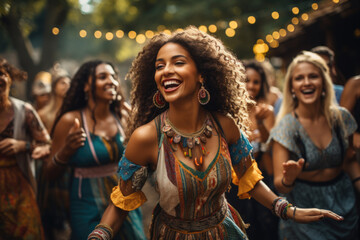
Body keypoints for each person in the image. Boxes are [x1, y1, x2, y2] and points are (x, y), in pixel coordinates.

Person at [87, 27, 344, 240]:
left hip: (226, 232)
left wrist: (288, 210)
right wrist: (100, 234)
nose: (166, 71)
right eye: (159, 66)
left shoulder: (225, 126)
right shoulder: (146, 138)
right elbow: (121, 202)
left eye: (178, 62)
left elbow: (250, 180)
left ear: (201, 76)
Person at [43, 60, 146, 239]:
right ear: (85, 86)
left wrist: (136, 123)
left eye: (114, 77)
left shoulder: (122, 116)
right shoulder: (70, 120)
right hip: (86, 204)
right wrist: (66, 151)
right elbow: (49, 174)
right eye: (102, 77)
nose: (112, 82)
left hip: (123, 201)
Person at [269, 51, 359, 239]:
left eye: (313, 76)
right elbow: (280, 184)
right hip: (305, 209)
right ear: (292, 88)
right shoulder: (286, 126)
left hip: (345, 204)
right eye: (299, 78)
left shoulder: (342, 118)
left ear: (324, 83)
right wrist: (289, 178)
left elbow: (349, 161)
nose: (307, 82)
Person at [226, 59, 278, 240]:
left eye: (256, 82)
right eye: (247, 80)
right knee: (244, 224)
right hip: (235, 180)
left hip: (262, 174)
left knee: (266, 224)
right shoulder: (228, 111)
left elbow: (270, 144)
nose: (251, 86)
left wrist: (262, 125)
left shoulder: (264, 109)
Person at [0, 57, 51, 239]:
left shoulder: (24, 111)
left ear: (10, 79)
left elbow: (48, 146)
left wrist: (24, 145)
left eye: (1, 74)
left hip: (19, 186)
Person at [37, 67, 72, 240]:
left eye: (68, 82)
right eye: (62, 82)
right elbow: (37, 141)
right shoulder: (43, 114)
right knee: (51, 210)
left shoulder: (76, 113)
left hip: (72, 165)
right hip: (50, 165)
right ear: (54, 87)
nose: (66, 85)